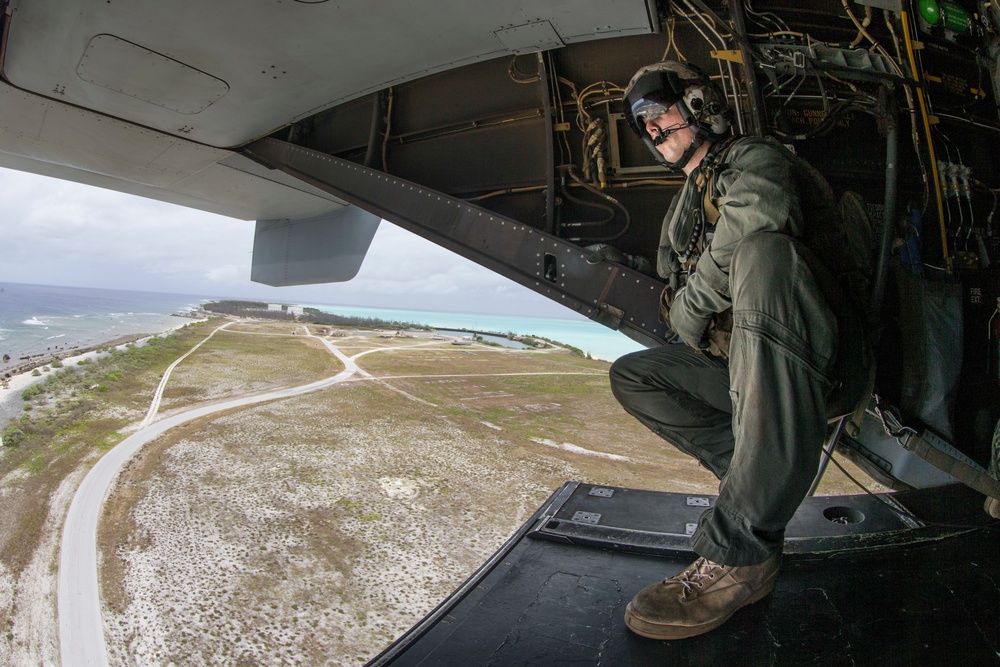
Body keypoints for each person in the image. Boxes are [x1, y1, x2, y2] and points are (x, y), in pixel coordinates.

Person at [610, 61, 871, 640]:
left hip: (816, 360)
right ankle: (755, 475)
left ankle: (740, 553)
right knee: (634, 375)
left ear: (699, 106)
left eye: (660, 113)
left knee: (762, 254)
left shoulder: (756, 158)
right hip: (737, 369)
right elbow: (671, 285)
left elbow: (757, 220)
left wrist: (692, 307)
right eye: (641, 124)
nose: (652, 131)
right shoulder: (684, 207)